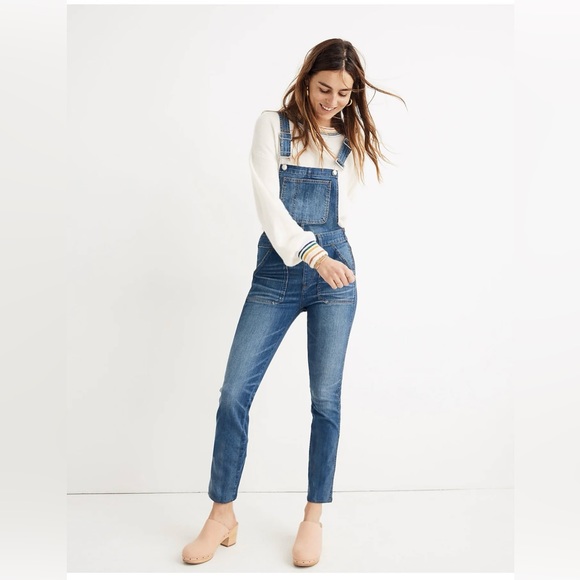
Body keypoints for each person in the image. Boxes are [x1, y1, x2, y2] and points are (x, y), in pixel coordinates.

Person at [181, 38, 403, 568]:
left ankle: (313, 518)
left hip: (334, 276)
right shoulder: (272, 127)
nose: (332, 101)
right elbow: (268, 204)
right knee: (234, 393)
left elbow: (340, 217)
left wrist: (328, 257)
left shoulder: (348, 143)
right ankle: (222, 515)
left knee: (326, 400)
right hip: (278, 274)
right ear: (306, 80)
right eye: (324, 88)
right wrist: (311, 253)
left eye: (344, 94)